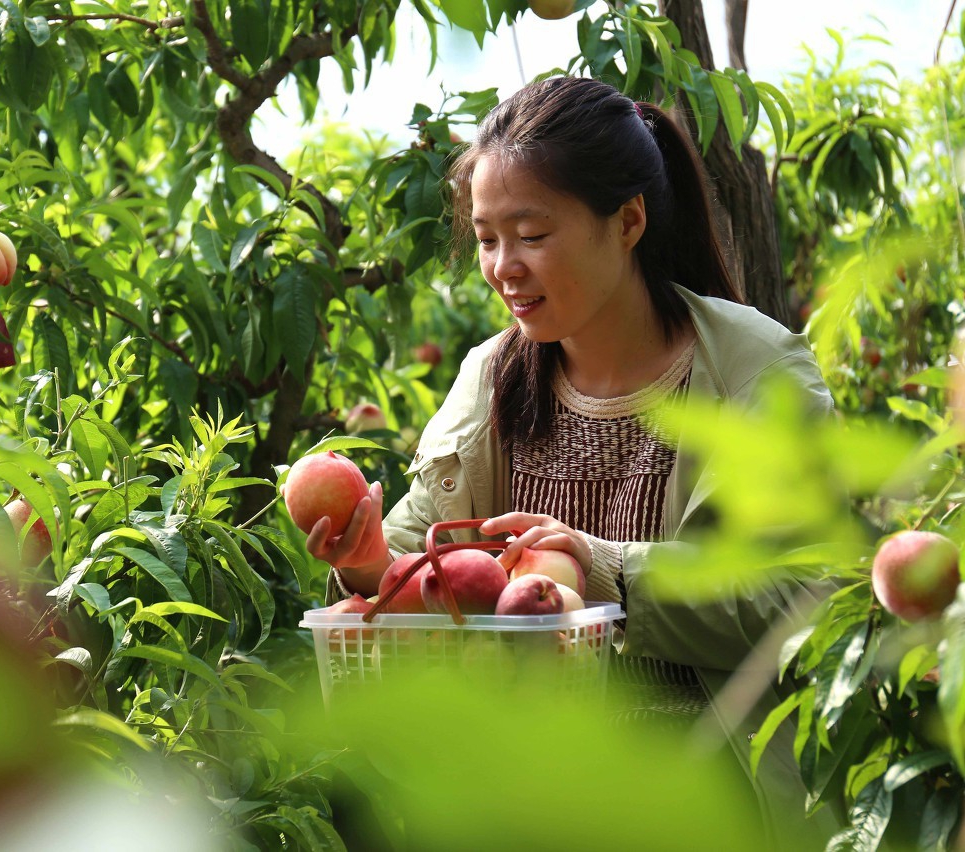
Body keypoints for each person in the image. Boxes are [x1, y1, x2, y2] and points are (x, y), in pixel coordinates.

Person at [306, 76, 839, 847]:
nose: (503, 267)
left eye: (532, 233)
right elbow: (420, 576)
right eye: (488, 239)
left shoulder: (755, 372)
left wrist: (603, 569)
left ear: (627, 222)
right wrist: (365, 564)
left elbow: (806, 598)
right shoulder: (493, 378)